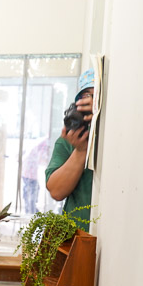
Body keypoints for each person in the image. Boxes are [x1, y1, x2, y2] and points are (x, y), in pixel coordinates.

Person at [46, 68, 95, 230]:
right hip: (77, 237)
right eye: (86, 96)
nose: (90, 102)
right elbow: (56, 191)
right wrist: (80, 150)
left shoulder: (117, 136)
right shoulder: (68, 140)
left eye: (95, 96)